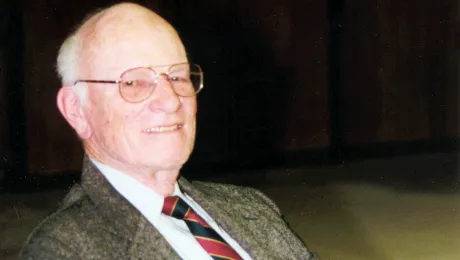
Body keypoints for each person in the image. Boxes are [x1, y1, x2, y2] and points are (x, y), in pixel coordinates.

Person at [20, 2, 318, 259]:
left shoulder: (251, 207)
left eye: (177, 76)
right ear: (76, 109)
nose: (171, 100)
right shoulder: (63, 249)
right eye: (134, 82)